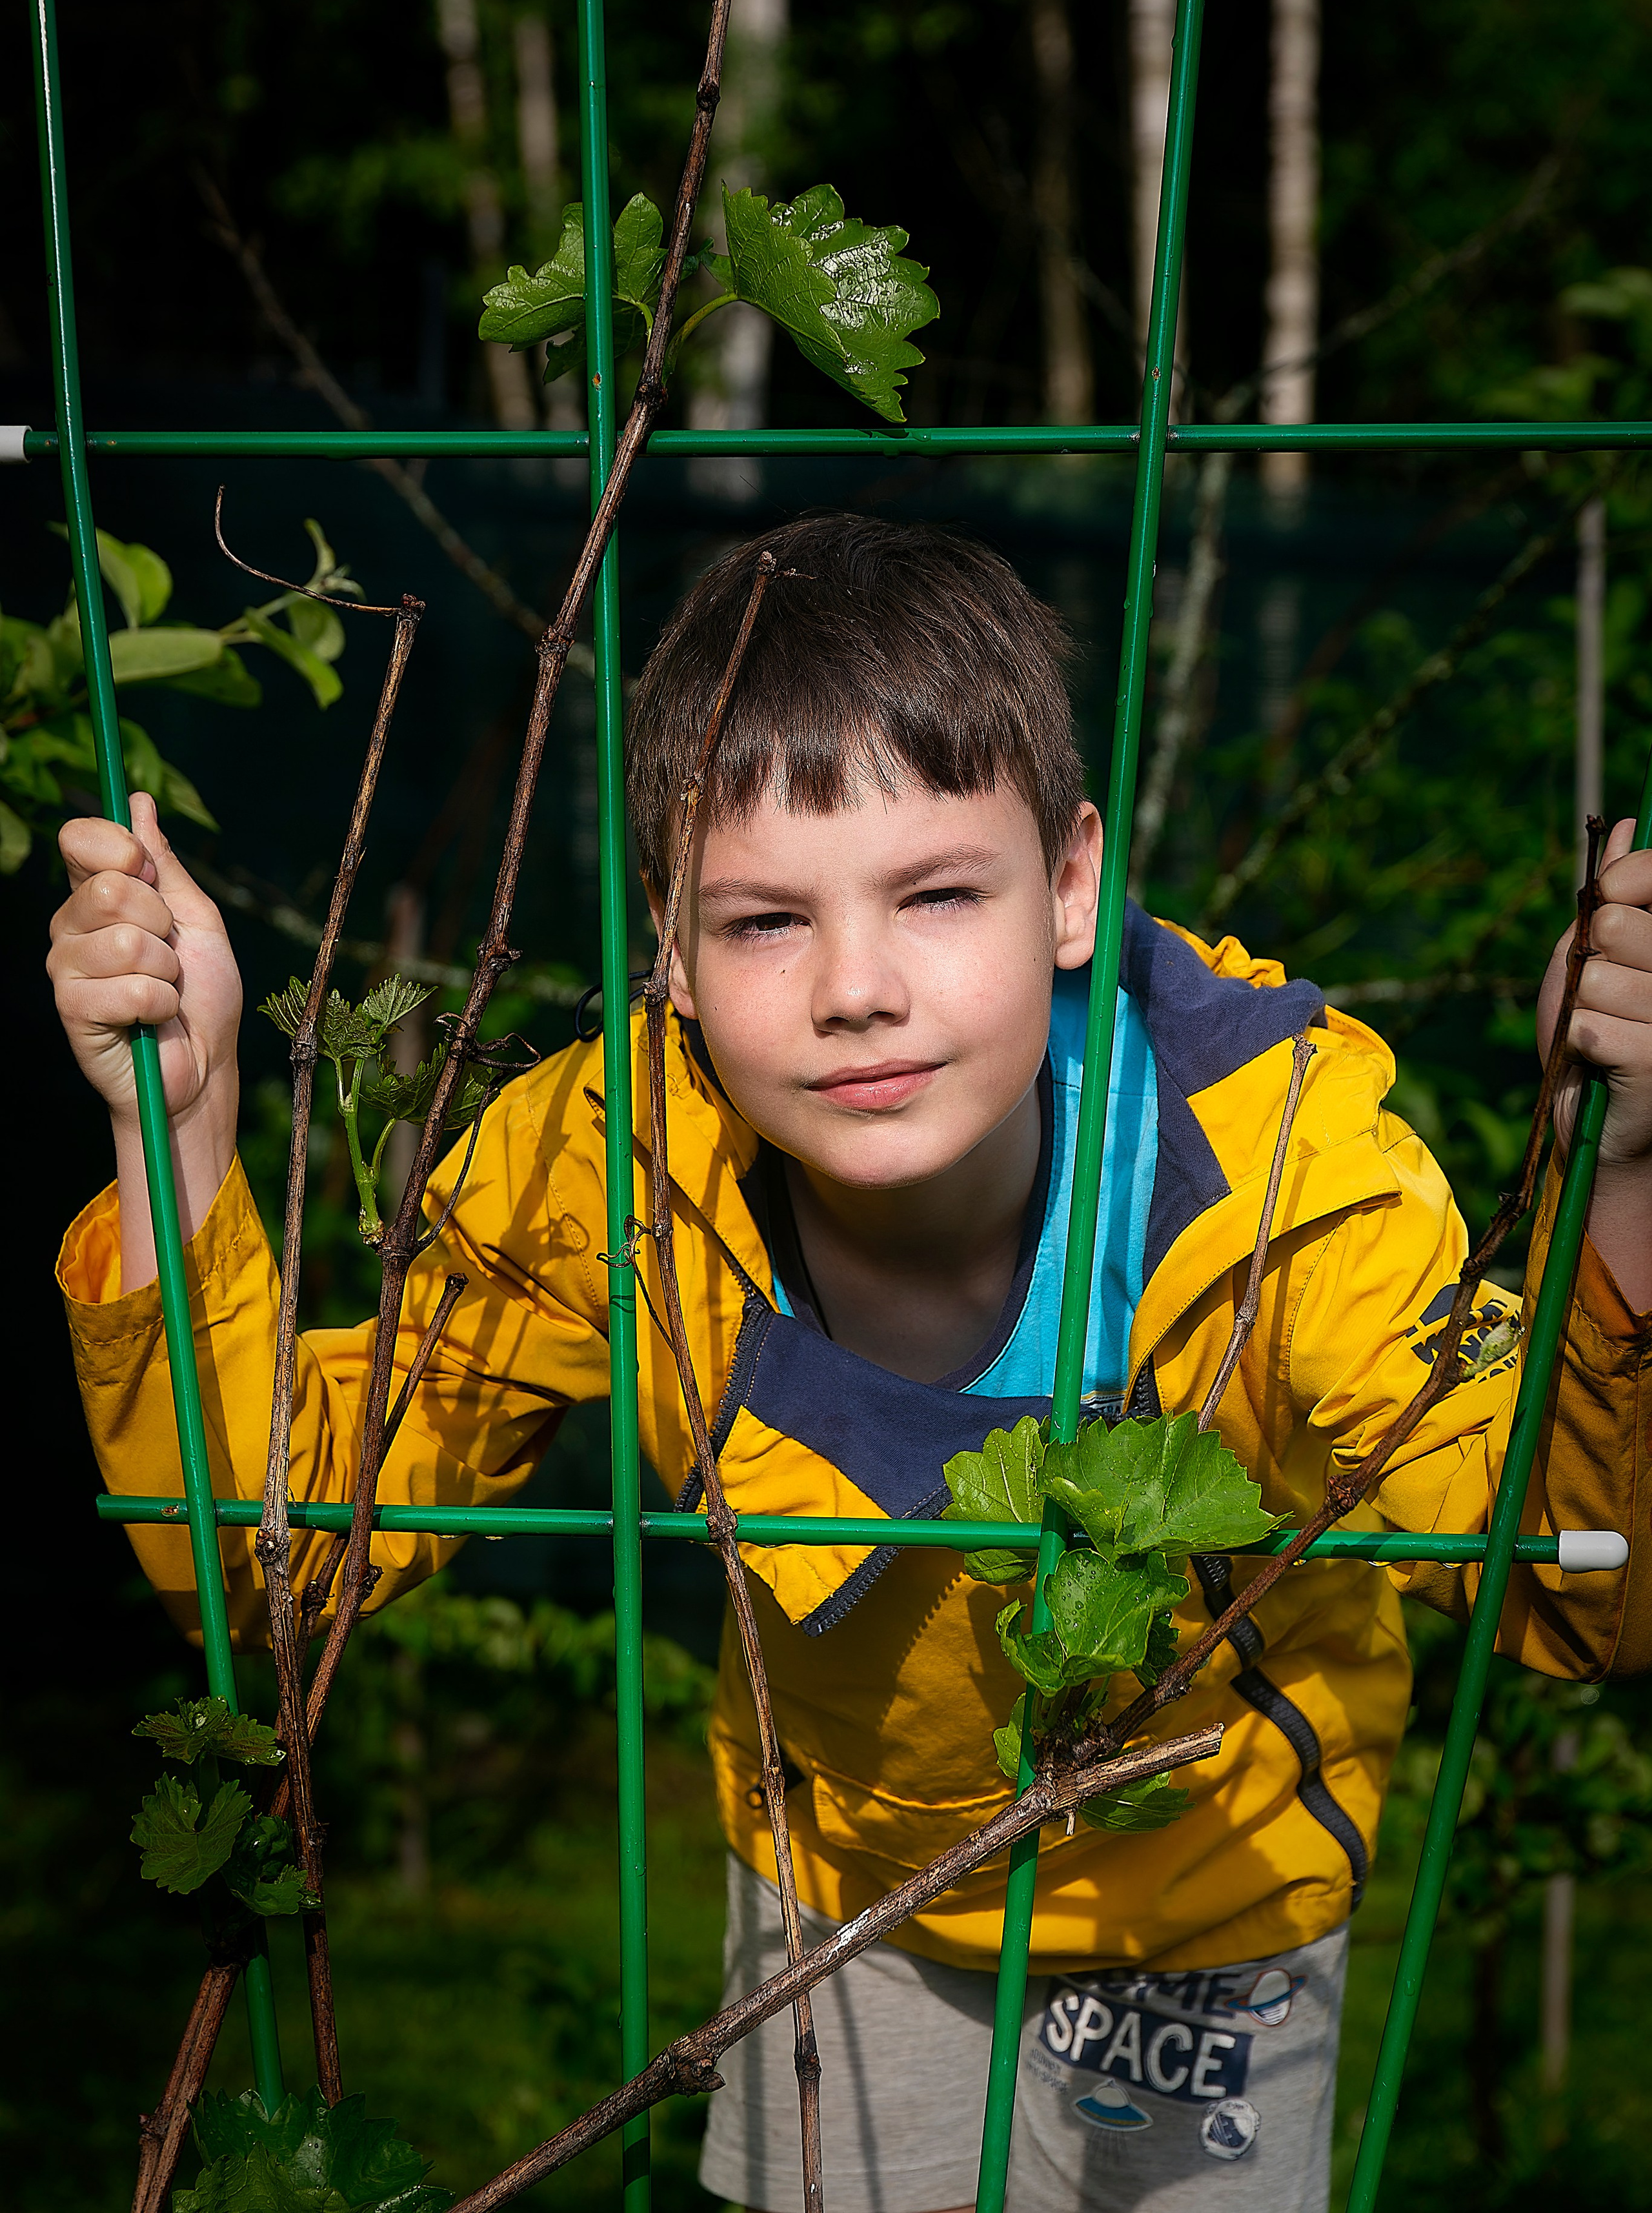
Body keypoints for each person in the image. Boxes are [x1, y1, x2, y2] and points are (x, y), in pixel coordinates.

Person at [47, 513, 1652, 2213]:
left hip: (1206, 1895)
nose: (857, 989)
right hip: (825, 1883)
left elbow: (1577, 1594)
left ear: (1075, 885)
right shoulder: (612, 1164)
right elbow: (266, 1558)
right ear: (666, 945)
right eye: (761, 924)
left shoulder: (1276, 1178)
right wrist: (186, 1133)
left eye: (939, 892)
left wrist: (1619, 1182)